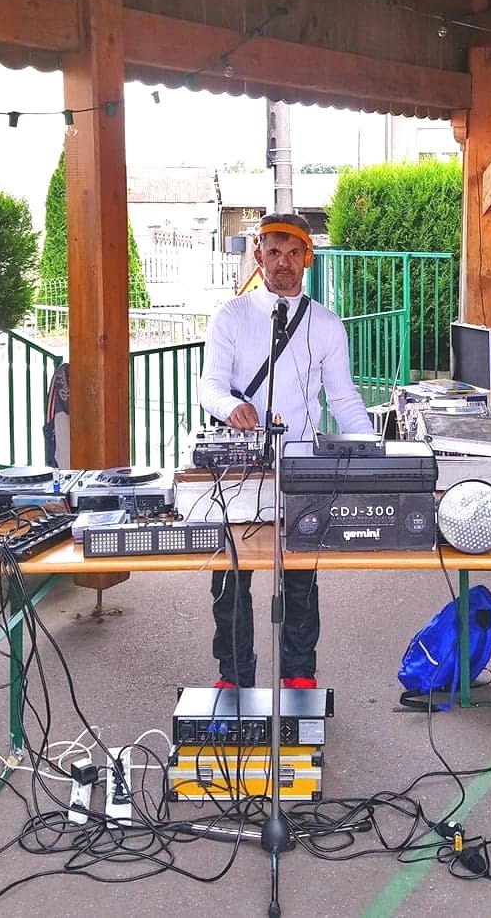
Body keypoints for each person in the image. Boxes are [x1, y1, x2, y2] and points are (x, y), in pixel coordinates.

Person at [196, 213, 373, 690]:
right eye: (273, 252)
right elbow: (210, 385)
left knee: (300, 577)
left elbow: (343, 398)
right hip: (240, 468)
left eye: (294, 253)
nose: (283, 263)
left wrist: (373, 449)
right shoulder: (231, 316)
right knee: (231, 577)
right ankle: (234, 678)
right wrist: (231, 406)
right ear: (258, 255)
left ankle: (299, 677)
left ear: (307, 259)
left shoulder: (326, 324)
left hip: (301, 465)